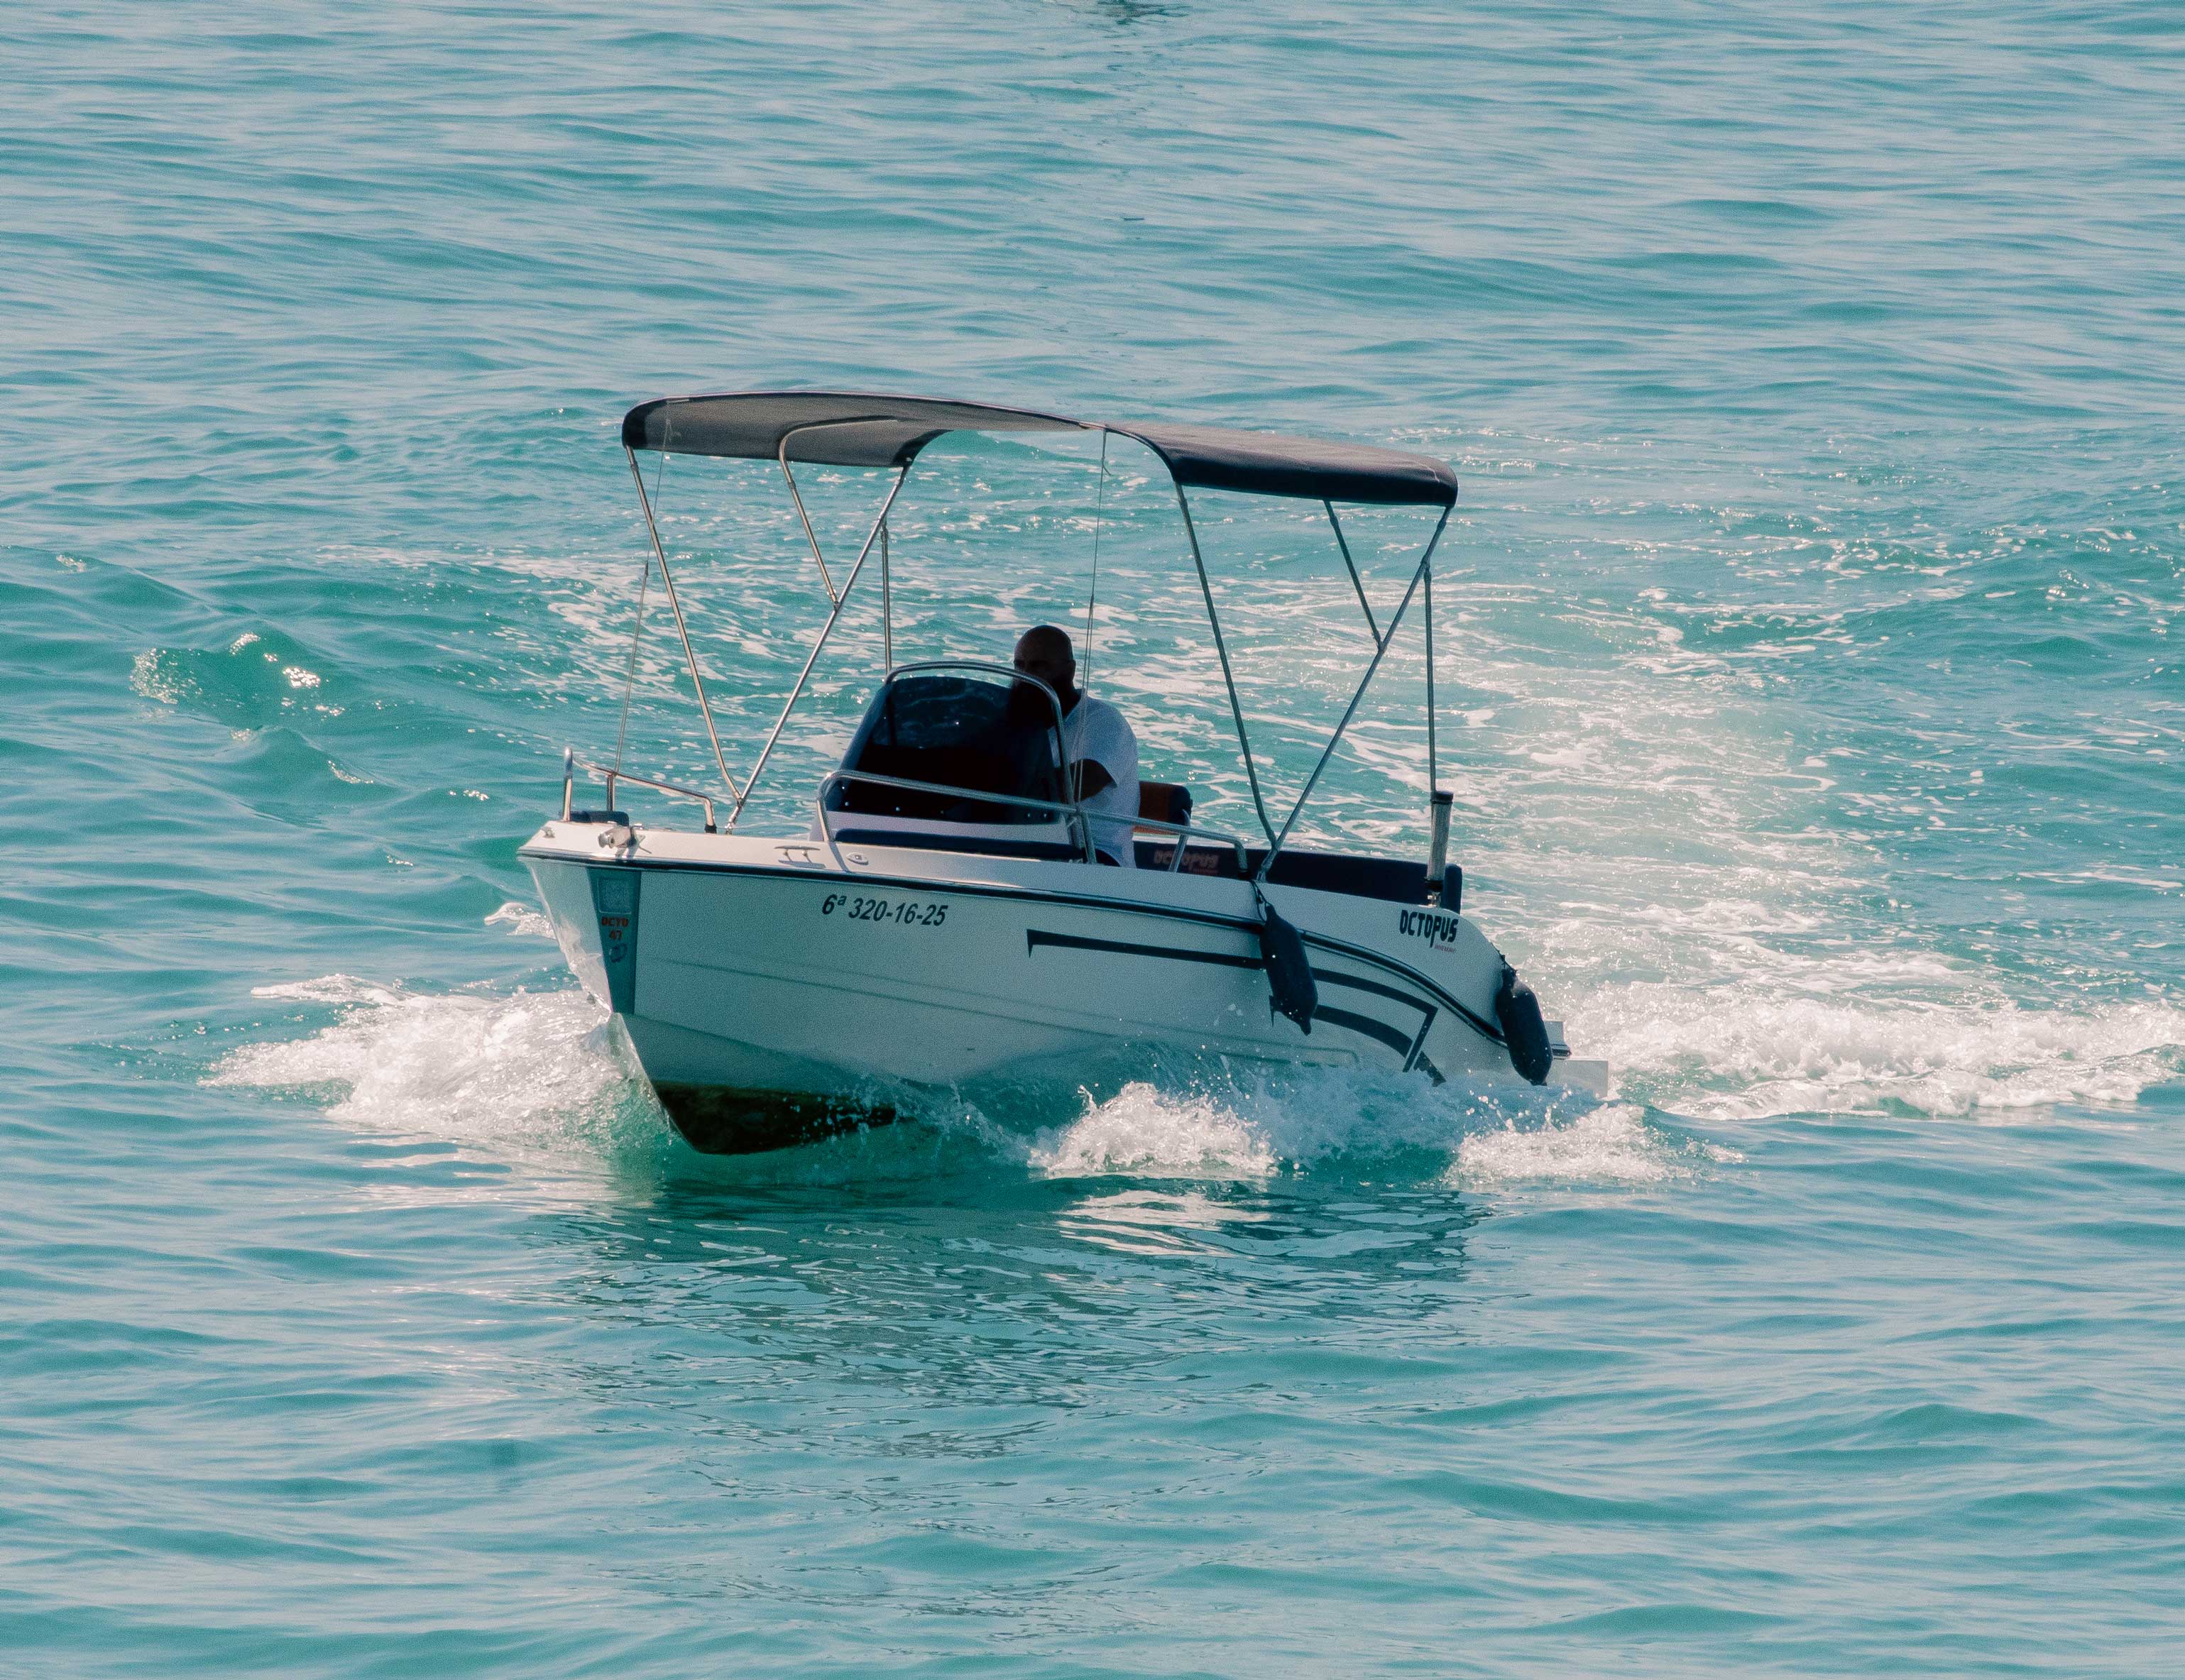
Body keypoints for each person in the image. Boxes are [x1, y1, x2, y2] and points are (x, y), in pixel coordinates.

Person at [1012, 625, 1139, 867]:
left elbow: (1079, 784)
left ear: (1069, 671)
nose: (1026, 676)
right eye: (1019, 666)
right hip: (1032, 845)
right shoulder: (1015, 722)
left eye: (1039, 666)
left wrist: (996, 784)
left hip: (1095, 855)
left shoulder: (1105, 722)